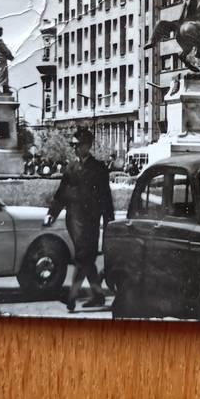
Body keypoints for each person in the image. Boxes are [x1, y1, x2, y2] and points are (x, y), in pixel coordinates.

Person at [43, 127, 114, 311]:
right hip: (73, 221)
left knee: (83, 257)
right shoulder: (71, 168)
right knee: (86, 258)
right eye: (73, 145)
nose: (74, 148)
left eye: (77, 145)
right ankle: (98, 295)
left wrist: (109, 223)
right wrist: (51, 213)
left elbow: (106, 199)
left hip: (90, 222)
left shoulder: (99, 169)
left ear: (87, 146)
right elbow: (61, 194)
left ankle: (71, 296)